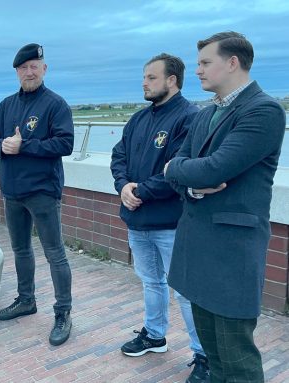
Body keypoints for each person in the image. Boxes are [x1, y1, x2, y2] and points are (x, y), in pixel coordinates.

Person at [164, 32, 286, 382]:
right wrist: (189, 182)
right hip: (199, 248)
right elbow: (178, 167)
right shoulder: (205, 114)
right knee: (213, 356)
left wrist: (177, 169)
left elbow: (215, 168)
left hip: (231, 253)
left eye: (205, 63)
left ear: (232, 62)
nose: (197, 70)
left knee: (237, 361)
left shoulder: (263, 111)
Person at [111, 53, 209, 382]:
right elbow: (119, 155)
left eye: (151, 77)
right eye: (144, 77)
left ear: (172, 80)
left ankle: (203, 354)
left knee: (185, 290)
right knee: (151, 282)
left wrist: (140, 192)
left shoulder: (189, 118)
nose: (144, 82)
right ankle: (155, 335)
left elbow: (178, 170)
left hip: (172, 223)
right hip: (137, 222)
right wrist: (123, 186)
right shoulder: (138, 119)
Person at [0, 43, 74, 346]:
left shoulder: (55, 104)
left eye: (34, 66)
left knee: (55, 253)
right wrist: (1, 146)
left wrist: (25, 146)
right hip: (12, 191)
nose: (29, 72)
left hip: (42, 192)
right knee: (20, 249)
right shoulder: (7, 105)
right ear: (17, 72)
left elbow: (65, 144)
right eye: (23, 68)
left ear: (44, 69)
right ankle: (26, 300)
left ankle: (63, 312)